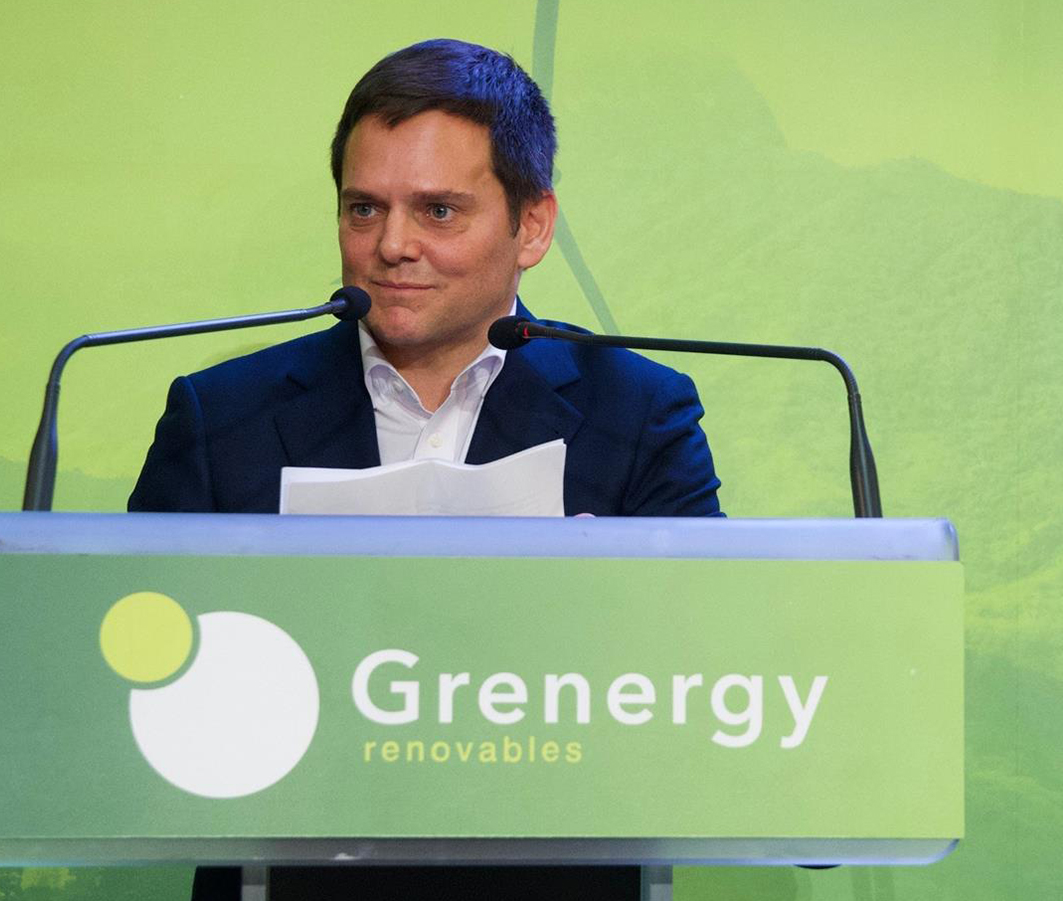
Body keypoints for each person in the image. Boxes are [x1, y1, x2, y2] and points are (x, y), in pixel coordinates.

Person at [131, 38, 721, 900]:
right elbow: (128, 669)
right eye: (363, 209)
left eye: (438, 211)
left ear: (532, 226)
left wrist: (607, 613)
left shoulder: (638, 416)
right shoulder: (223, 417)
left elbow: (705, 682)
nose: (392, 245)